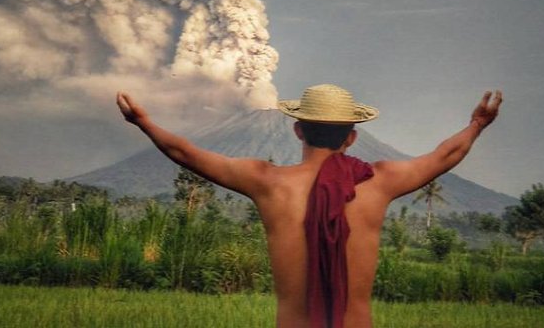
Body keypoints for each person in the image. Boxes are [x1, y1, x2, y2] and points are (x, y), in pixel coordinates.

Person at [116, 84, 502, 328]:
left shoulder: (267, 183)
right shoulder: (379, 181)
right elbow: (444, 156)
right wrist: (476, 125)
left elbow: (184, 152)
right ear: (352, 138)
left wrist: (143, 121)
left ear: (298, 129)